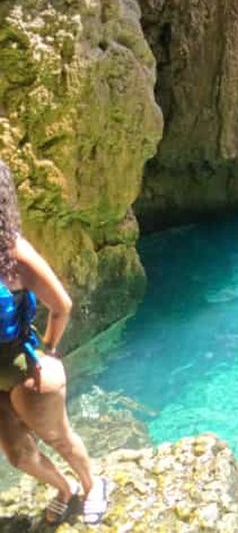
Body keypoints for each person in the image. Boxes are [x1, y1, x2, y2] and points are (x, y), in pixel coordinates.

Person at [0, 160, 109, 525]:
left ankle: (93, 484)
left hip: (23, 367)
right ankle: (64, 488)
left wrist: (48, 350)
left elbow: (61, 305)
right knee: (19, 455)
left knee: (57, 438)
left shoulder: (14, 253)